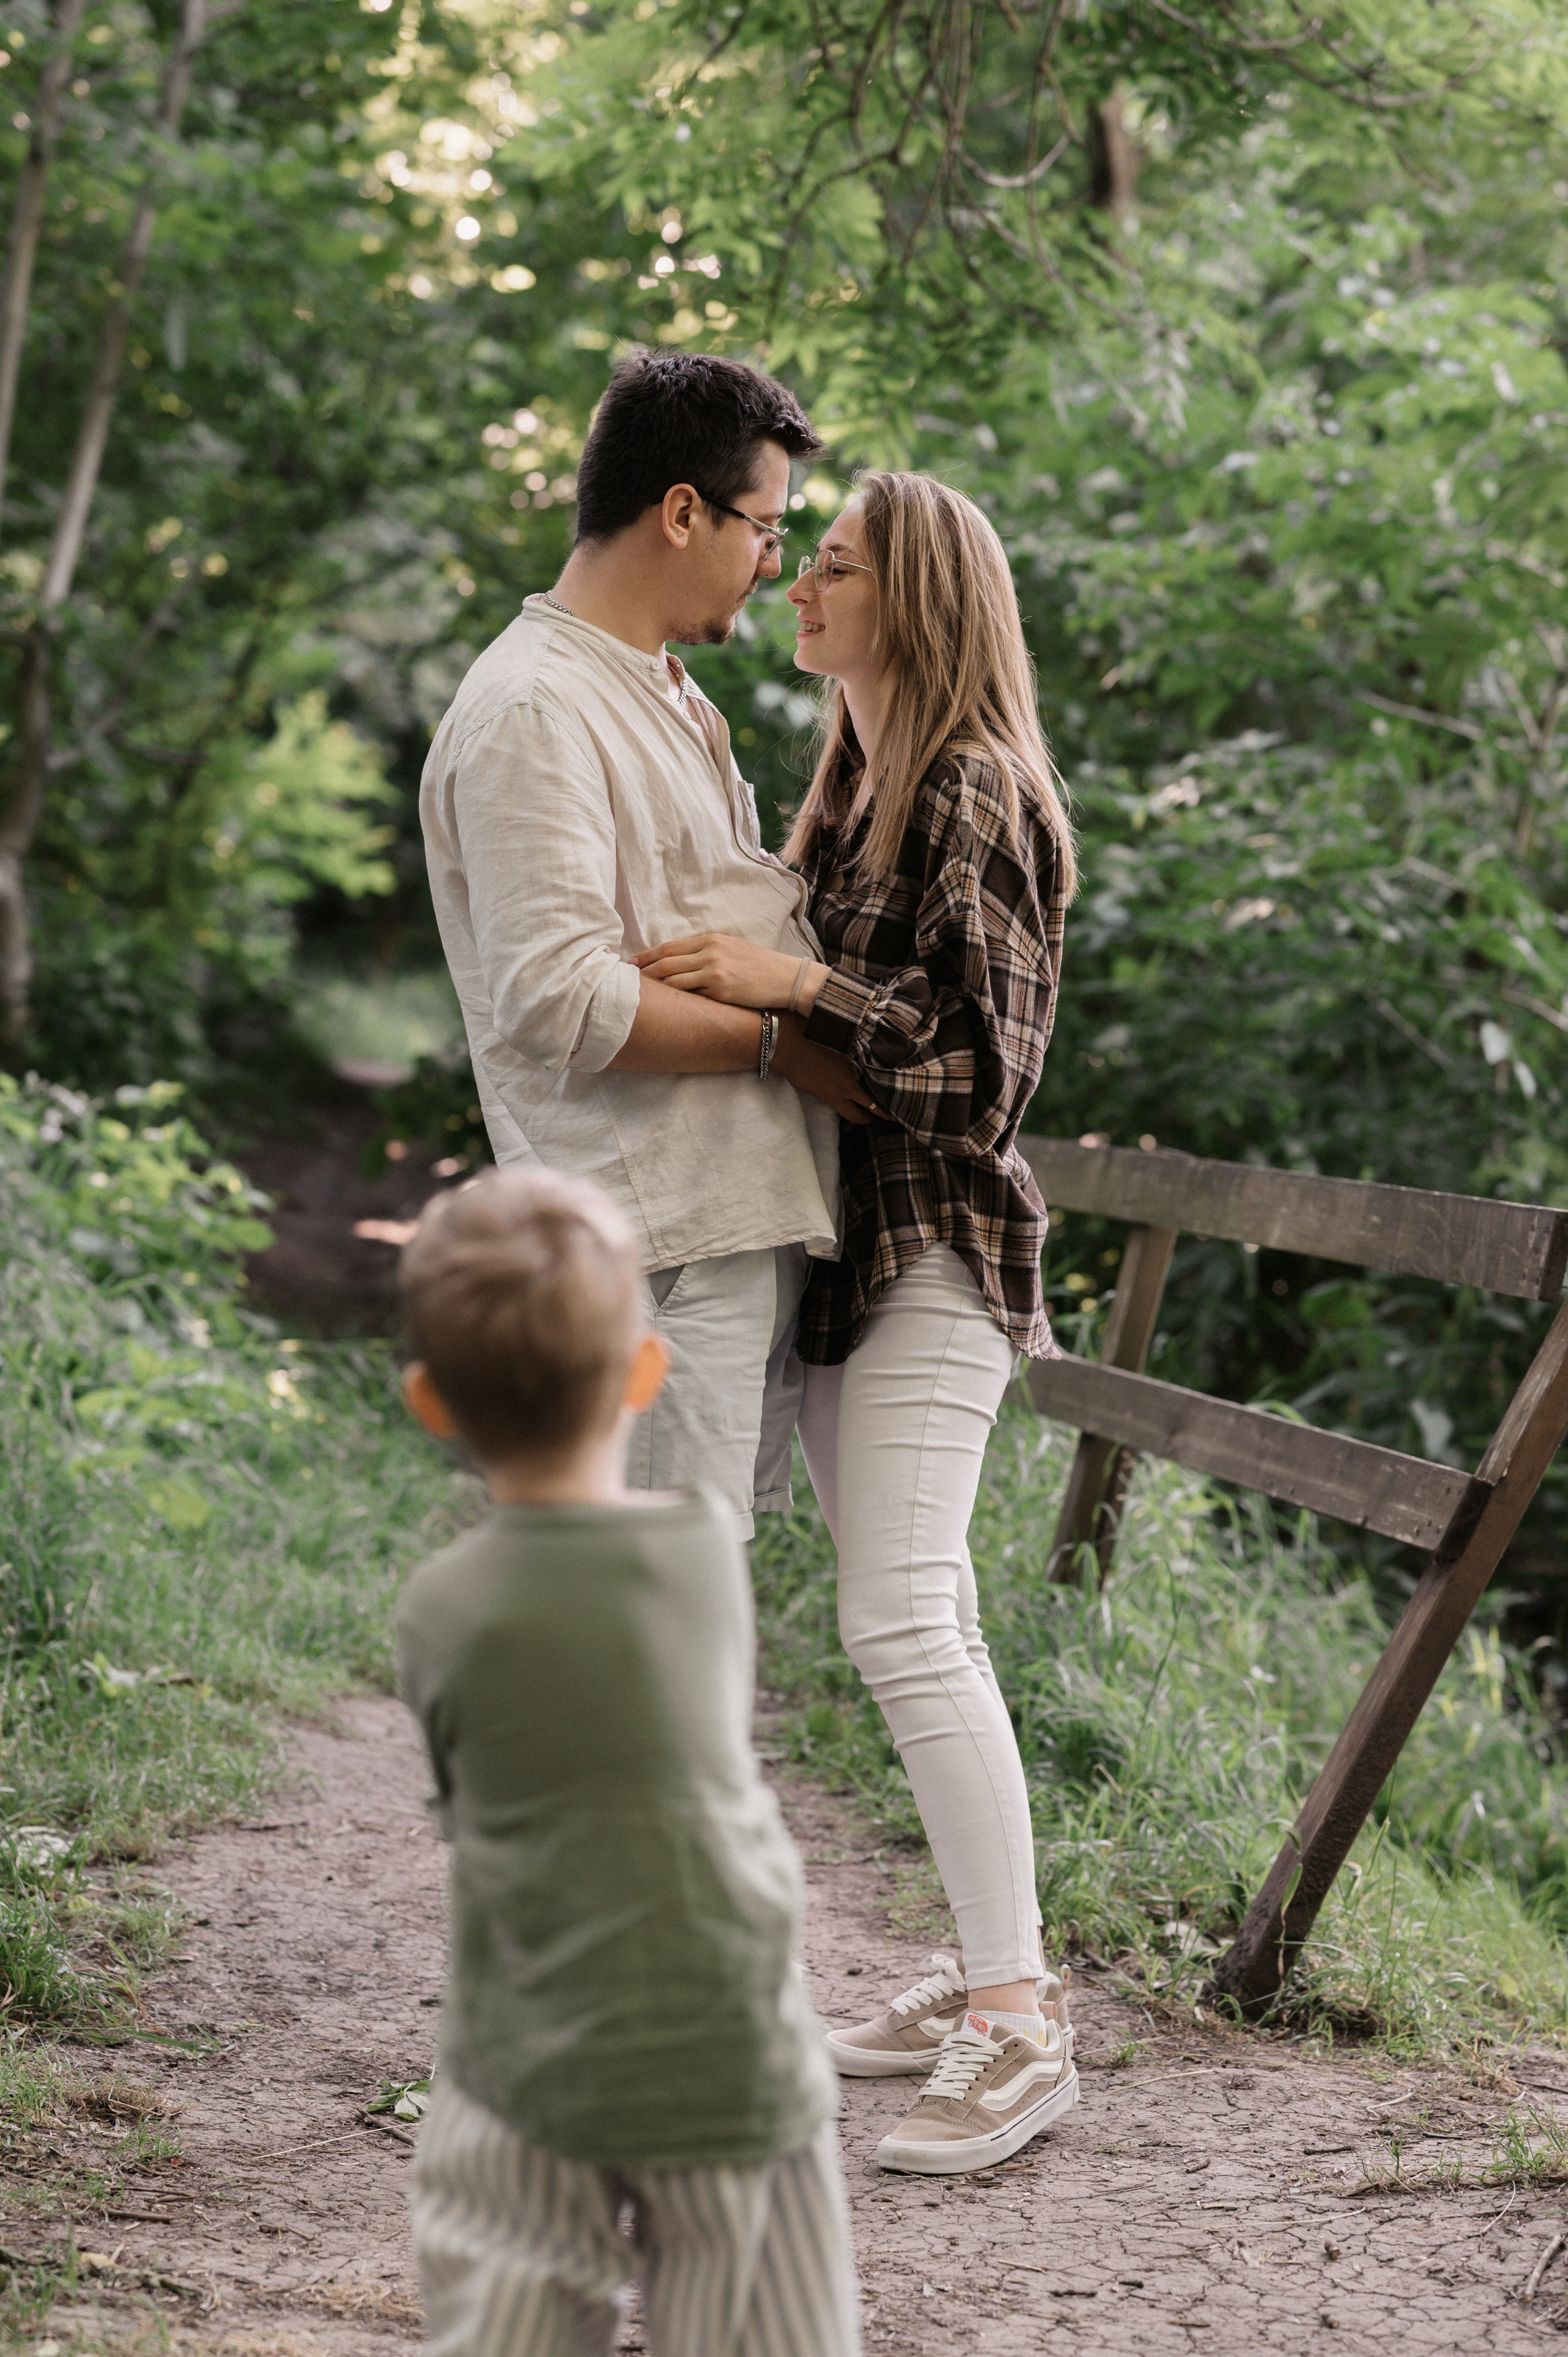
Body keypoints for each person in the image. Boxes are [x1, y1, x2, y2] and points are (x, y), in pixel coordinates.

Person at [634, 471, 1079, 2177]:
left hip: (938, 1262)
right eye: (796, 555)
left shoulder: (974, 787)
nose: (792, 581)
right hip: (845, 1262)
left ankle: (1018, 2019)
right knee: (914, 1610)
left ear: (917, 598)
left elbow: (982, 1084)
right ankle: (981, 1977)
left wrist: (796, 986)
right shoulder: (851, 787)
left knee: (903, 1617)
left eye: (827, 563)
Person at [396, 1166, 861, 2357]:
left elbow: (465, 1806)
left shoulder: (444, 1606)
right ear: (645, 1377)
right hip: (729, 2050)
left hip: (532, 2052)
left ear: (431, 1404)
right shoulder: (704, 1552)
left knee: (505, 2313)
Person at [419, 350, 871, 1540]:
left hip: (719, 1220)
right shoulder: (535, 709)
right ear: (682, 512)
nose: (777, 562)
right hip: (654, 1238)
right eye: (766, 529)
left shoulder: (670, 694)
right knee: (663, 1605)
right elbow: (558, 999)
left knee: (684, 1600)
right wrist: (786, 1050)